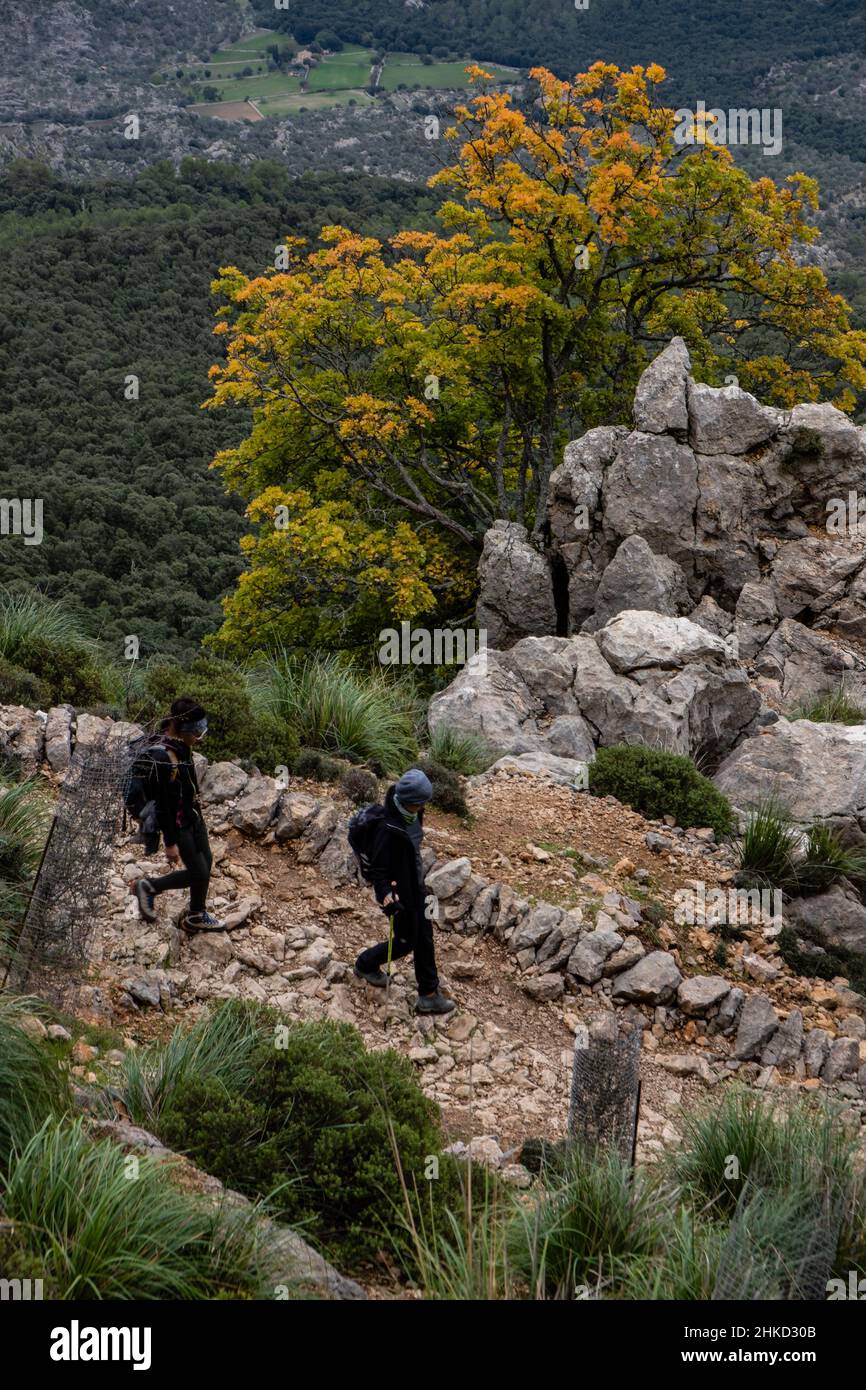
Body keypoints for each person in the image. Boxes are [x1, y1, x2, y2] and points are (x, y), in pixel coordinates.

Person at [354, 768, 455, 1015]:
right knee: (405, 941)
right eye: (421, 803)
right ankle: (365, 963)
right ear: (411, 802)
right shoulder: (387, 830)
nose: (424, 807)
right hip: (399, 896)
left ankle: (429, 994)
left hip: (416, 887)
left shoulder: (411, 814)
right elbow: (379, 871)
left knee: (425, 935)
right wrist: (388, 898)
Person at [131, 697, 223, 932]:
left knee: (207, 861)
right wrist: (170, 843)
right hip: (179, 823)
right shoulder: (163, 757)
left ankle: (196, 913)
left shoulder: (181, 745)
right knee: (198, 872)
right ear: (183, 729)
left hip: (193, 813)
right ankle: (150, 887)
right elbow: (163, 805)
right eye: (196, 733)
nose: (199, 739)